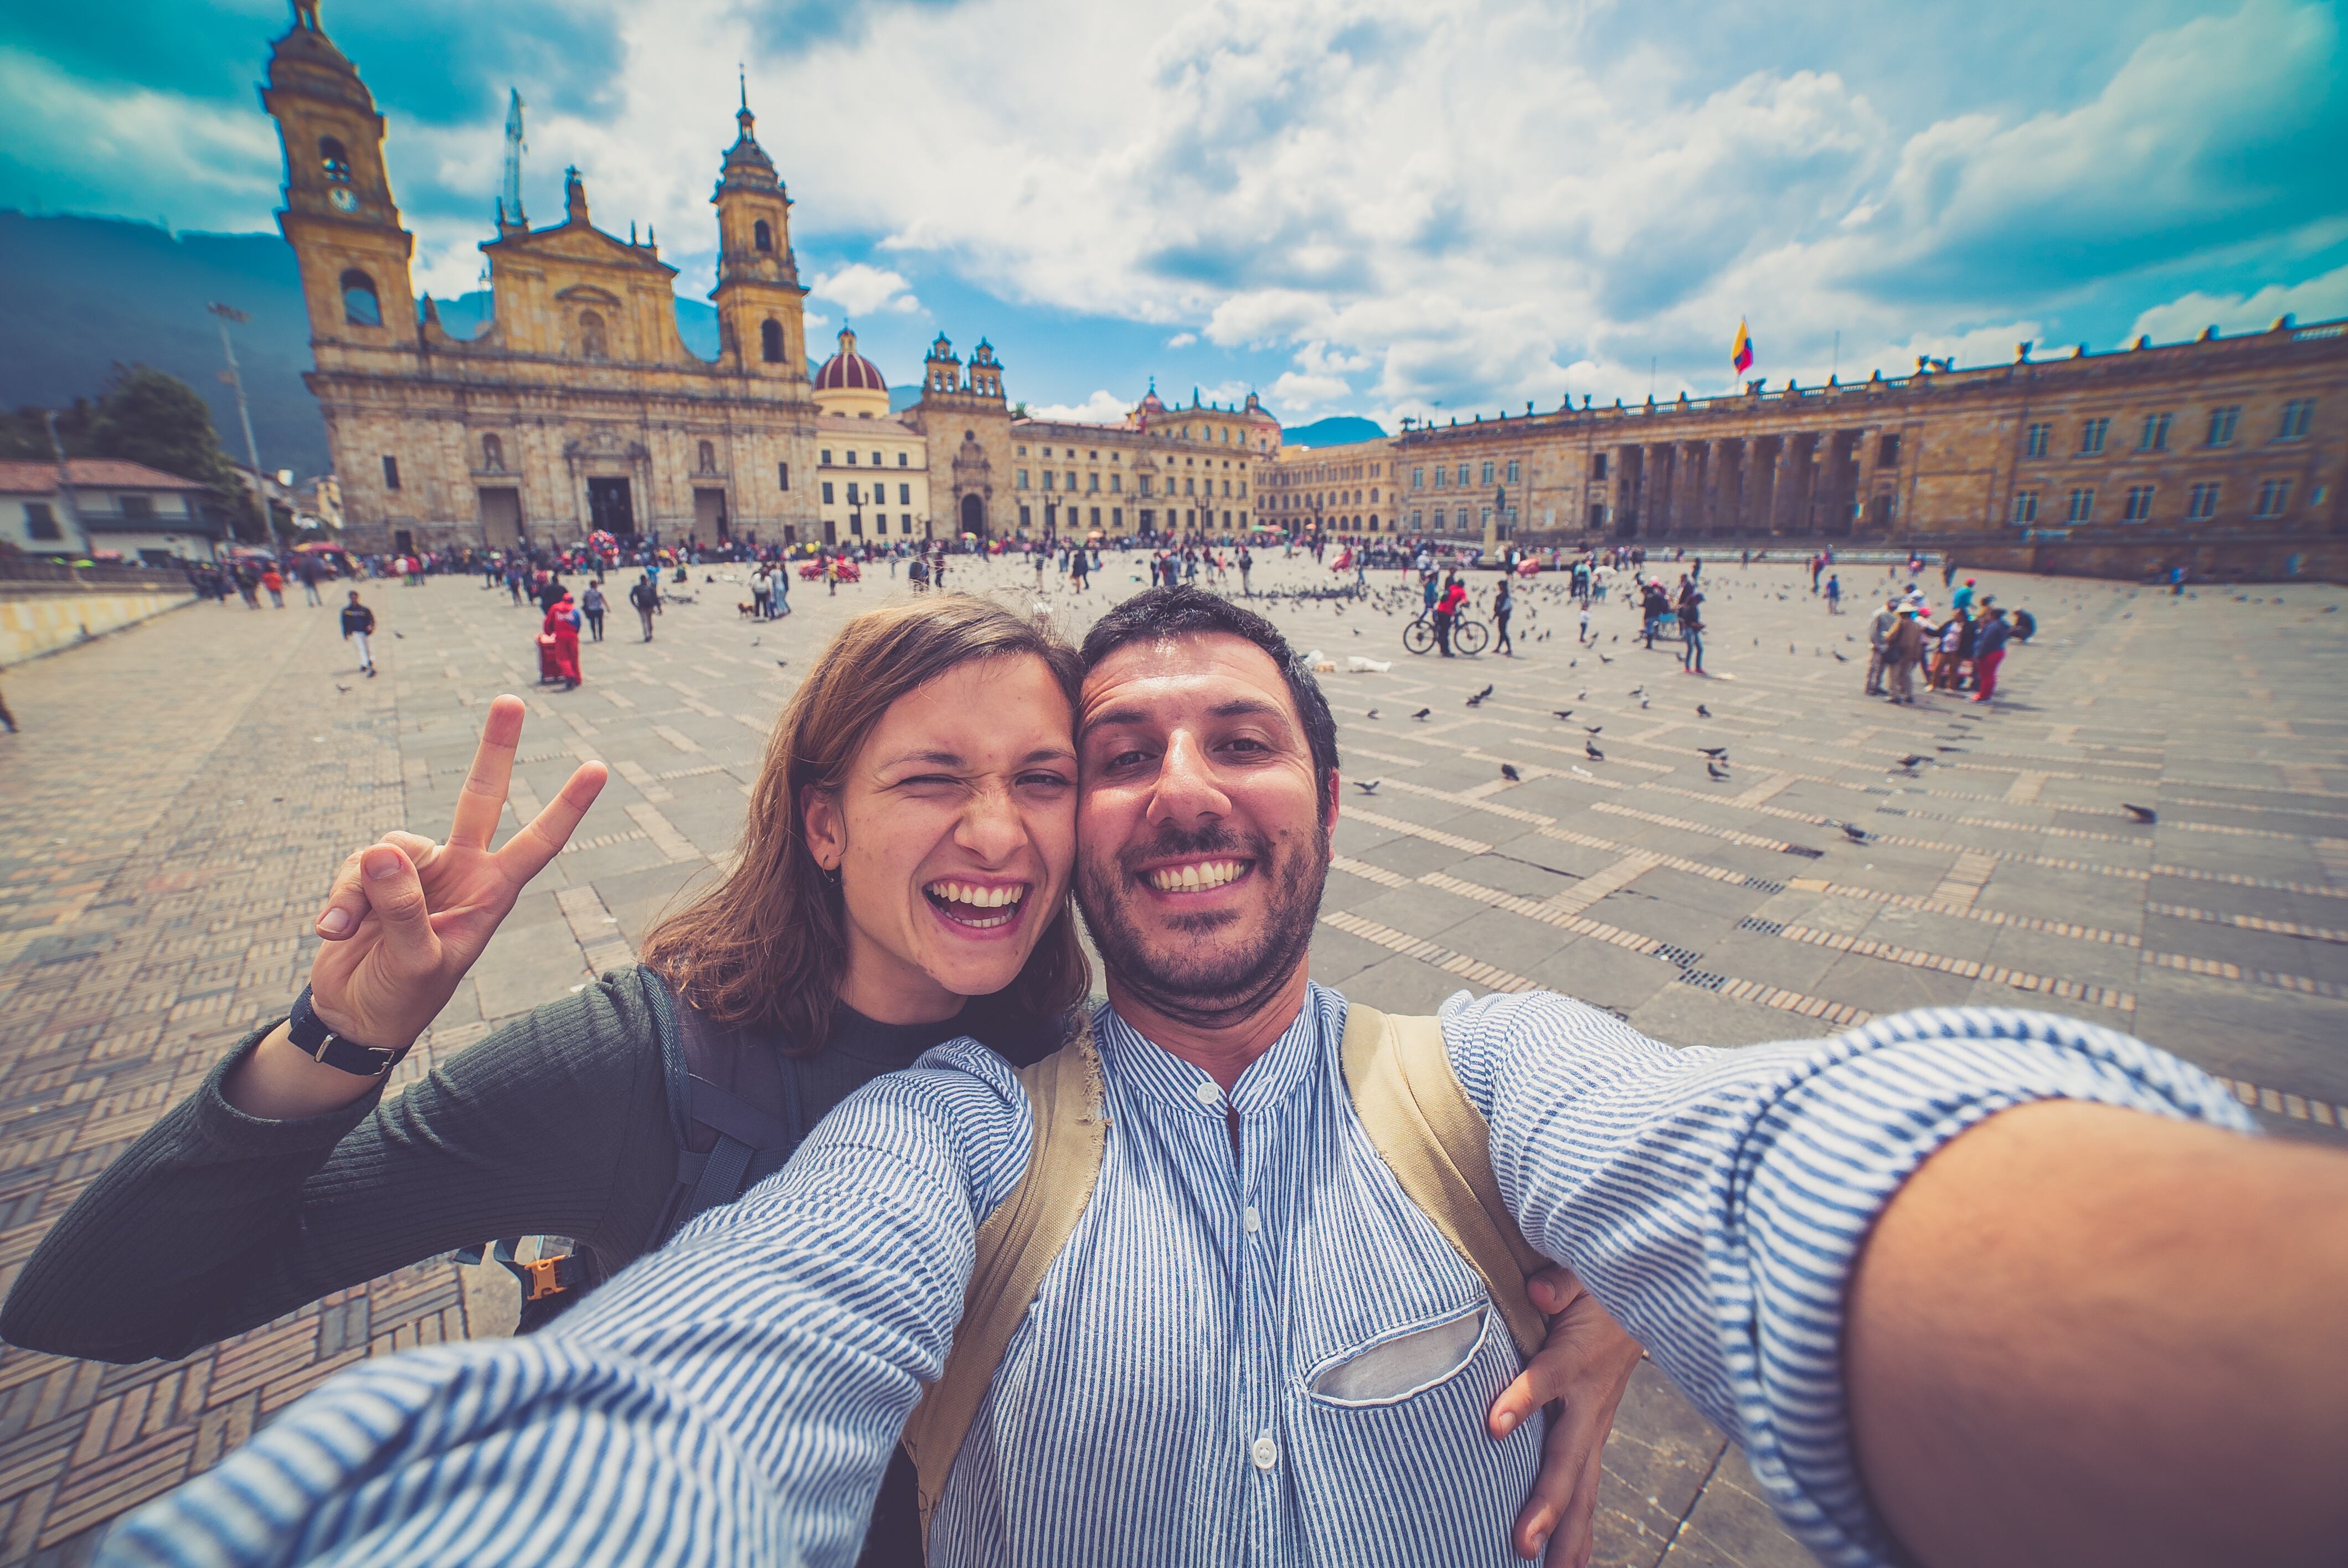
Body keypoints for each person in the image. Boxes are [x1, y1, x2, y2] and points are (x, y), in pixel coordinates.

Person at [110, 587, 2348, 1568]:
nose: (1150, 798)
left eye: (1238, 739)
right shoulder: (908, 1121)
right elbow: (723, 1364)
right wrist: (350, 1034)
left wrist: (1634, 1290)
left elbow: (1749, 1165)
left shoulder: (1494, 1081)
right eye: (1111, 758)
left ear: (1327, 801)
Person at [3, 603, 1127, 1564]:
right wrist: (340, 1036)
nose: (997, 832)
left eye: (1042, 780)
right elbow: (99, 1303)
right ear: (824, 825)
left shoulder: (1078, 1055)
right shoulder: (642, 1067)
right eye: (931, 780)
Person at [541, 591, 583, 690]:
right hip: (572, 636)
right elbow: (578, 624)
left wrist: (549, 632)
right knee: (574, 657)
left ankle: (569, 675)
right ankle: (578, 679)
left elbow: (547, 622)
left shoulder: (555, 609)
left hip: (560, 636)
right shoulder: (575, 611)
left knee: (563, 658)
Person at [1972, 605, 2012, 703]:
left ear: (1992, 615)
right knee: (1991, 675)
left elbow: (1986, 642)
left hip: (1990, 653)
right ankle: (1987, 694)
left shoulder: (1992, 627)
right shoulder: (2003, 625)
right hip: (1999, 650)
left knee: (1986, 675)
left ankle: (1983, 696)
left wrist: (1979, 655)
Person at [1886, 605, 1925, 704]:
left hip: (1899, 653)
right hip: (1911, 655)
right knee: (1907, 675)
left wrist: (1886, 636)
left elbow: (1891, 636)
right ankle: (1909, 695)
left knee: (1893, 676)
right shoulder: (1916, 626)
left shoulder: (1900, 623)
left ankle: (1895, 696)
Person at [1864, 595, 1898, 695]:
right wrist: (1875, 643)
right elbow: (1873, 630)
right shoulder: (1879, 614)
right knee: (1873, 667)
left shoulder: (1894, 615)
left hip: (1887, 645)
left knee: (1882, 668)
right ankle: (1869, 687)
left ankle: (1877, 686)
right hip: (1878, 645)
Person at [339, 590, 375, 678]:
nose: (353, 599)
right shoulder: (346, 611)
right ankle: (364, 664)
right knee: (359, 648)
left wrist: (370, 626)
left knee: (368, 648)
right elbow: (344, 623)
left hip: (365, 632)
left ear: (357, 598)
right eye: (352, 598)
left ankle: (370, 660)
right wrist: (346, 634)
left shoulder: (364, 609)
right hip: (355, 632)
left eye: (355, 598)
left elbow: (371, 619)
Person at [1434, 570, 1466, 657]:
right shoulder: (1461, 591)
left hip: (1439, 609)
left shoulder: (1451, 588)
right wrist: (1466, 604)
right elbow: (1464, 601)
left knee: (1441, 630)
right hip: (1447, 612)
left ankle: (1441, 646)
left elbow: (1442, 594)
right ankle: (1446, 651)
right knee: (1445, 631)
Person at [1678, 579, 1704, 674]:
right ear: (1696, 600)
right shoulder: (1690, 608)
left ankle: (1697, 667)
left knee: (1698, 648)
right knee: (1692, 648)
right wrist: (1700, 625)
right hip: (1690, 630)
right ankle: (1690, 667)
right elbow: (1689, 622)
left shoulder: (1690, 607)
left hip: (1693, 630)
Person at [629, 571, 661, 641]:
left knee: (645, 621)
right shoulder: (650, 588)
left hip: (642, 607)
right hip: (649, 606)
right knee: (648, 621)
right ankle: (649, 634)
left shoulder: (637, 588)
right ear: (645, 580)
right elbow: (655, 598)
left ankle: (647, 635)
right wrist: (659, 607)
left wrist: (635, 604)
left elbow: (631, 596)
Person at [1491, 574, 1513, 656]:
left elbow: (1501, 606)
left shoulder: (1503, 595)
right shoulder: (1505, 594)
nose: (1499, 587)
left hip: (1503, 615)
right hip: (1505, 615)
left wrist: (1495, 615)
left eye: (1500, 586)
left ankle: (1509, 649)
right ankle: (1499, 648)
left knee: (1503, 632)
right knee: (1502, 632)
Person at [581, 579, 607, 643]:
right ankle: (598, 636)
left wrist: (587, 605)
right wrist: (607, 607)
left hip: (594, 609)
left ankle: (597, 635)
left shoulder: (587, 591)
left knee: (595, 623)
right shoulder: (598, 591)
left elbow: (584, 599)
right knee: (597, 623)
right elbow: (603, 599)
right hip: (596, 608)